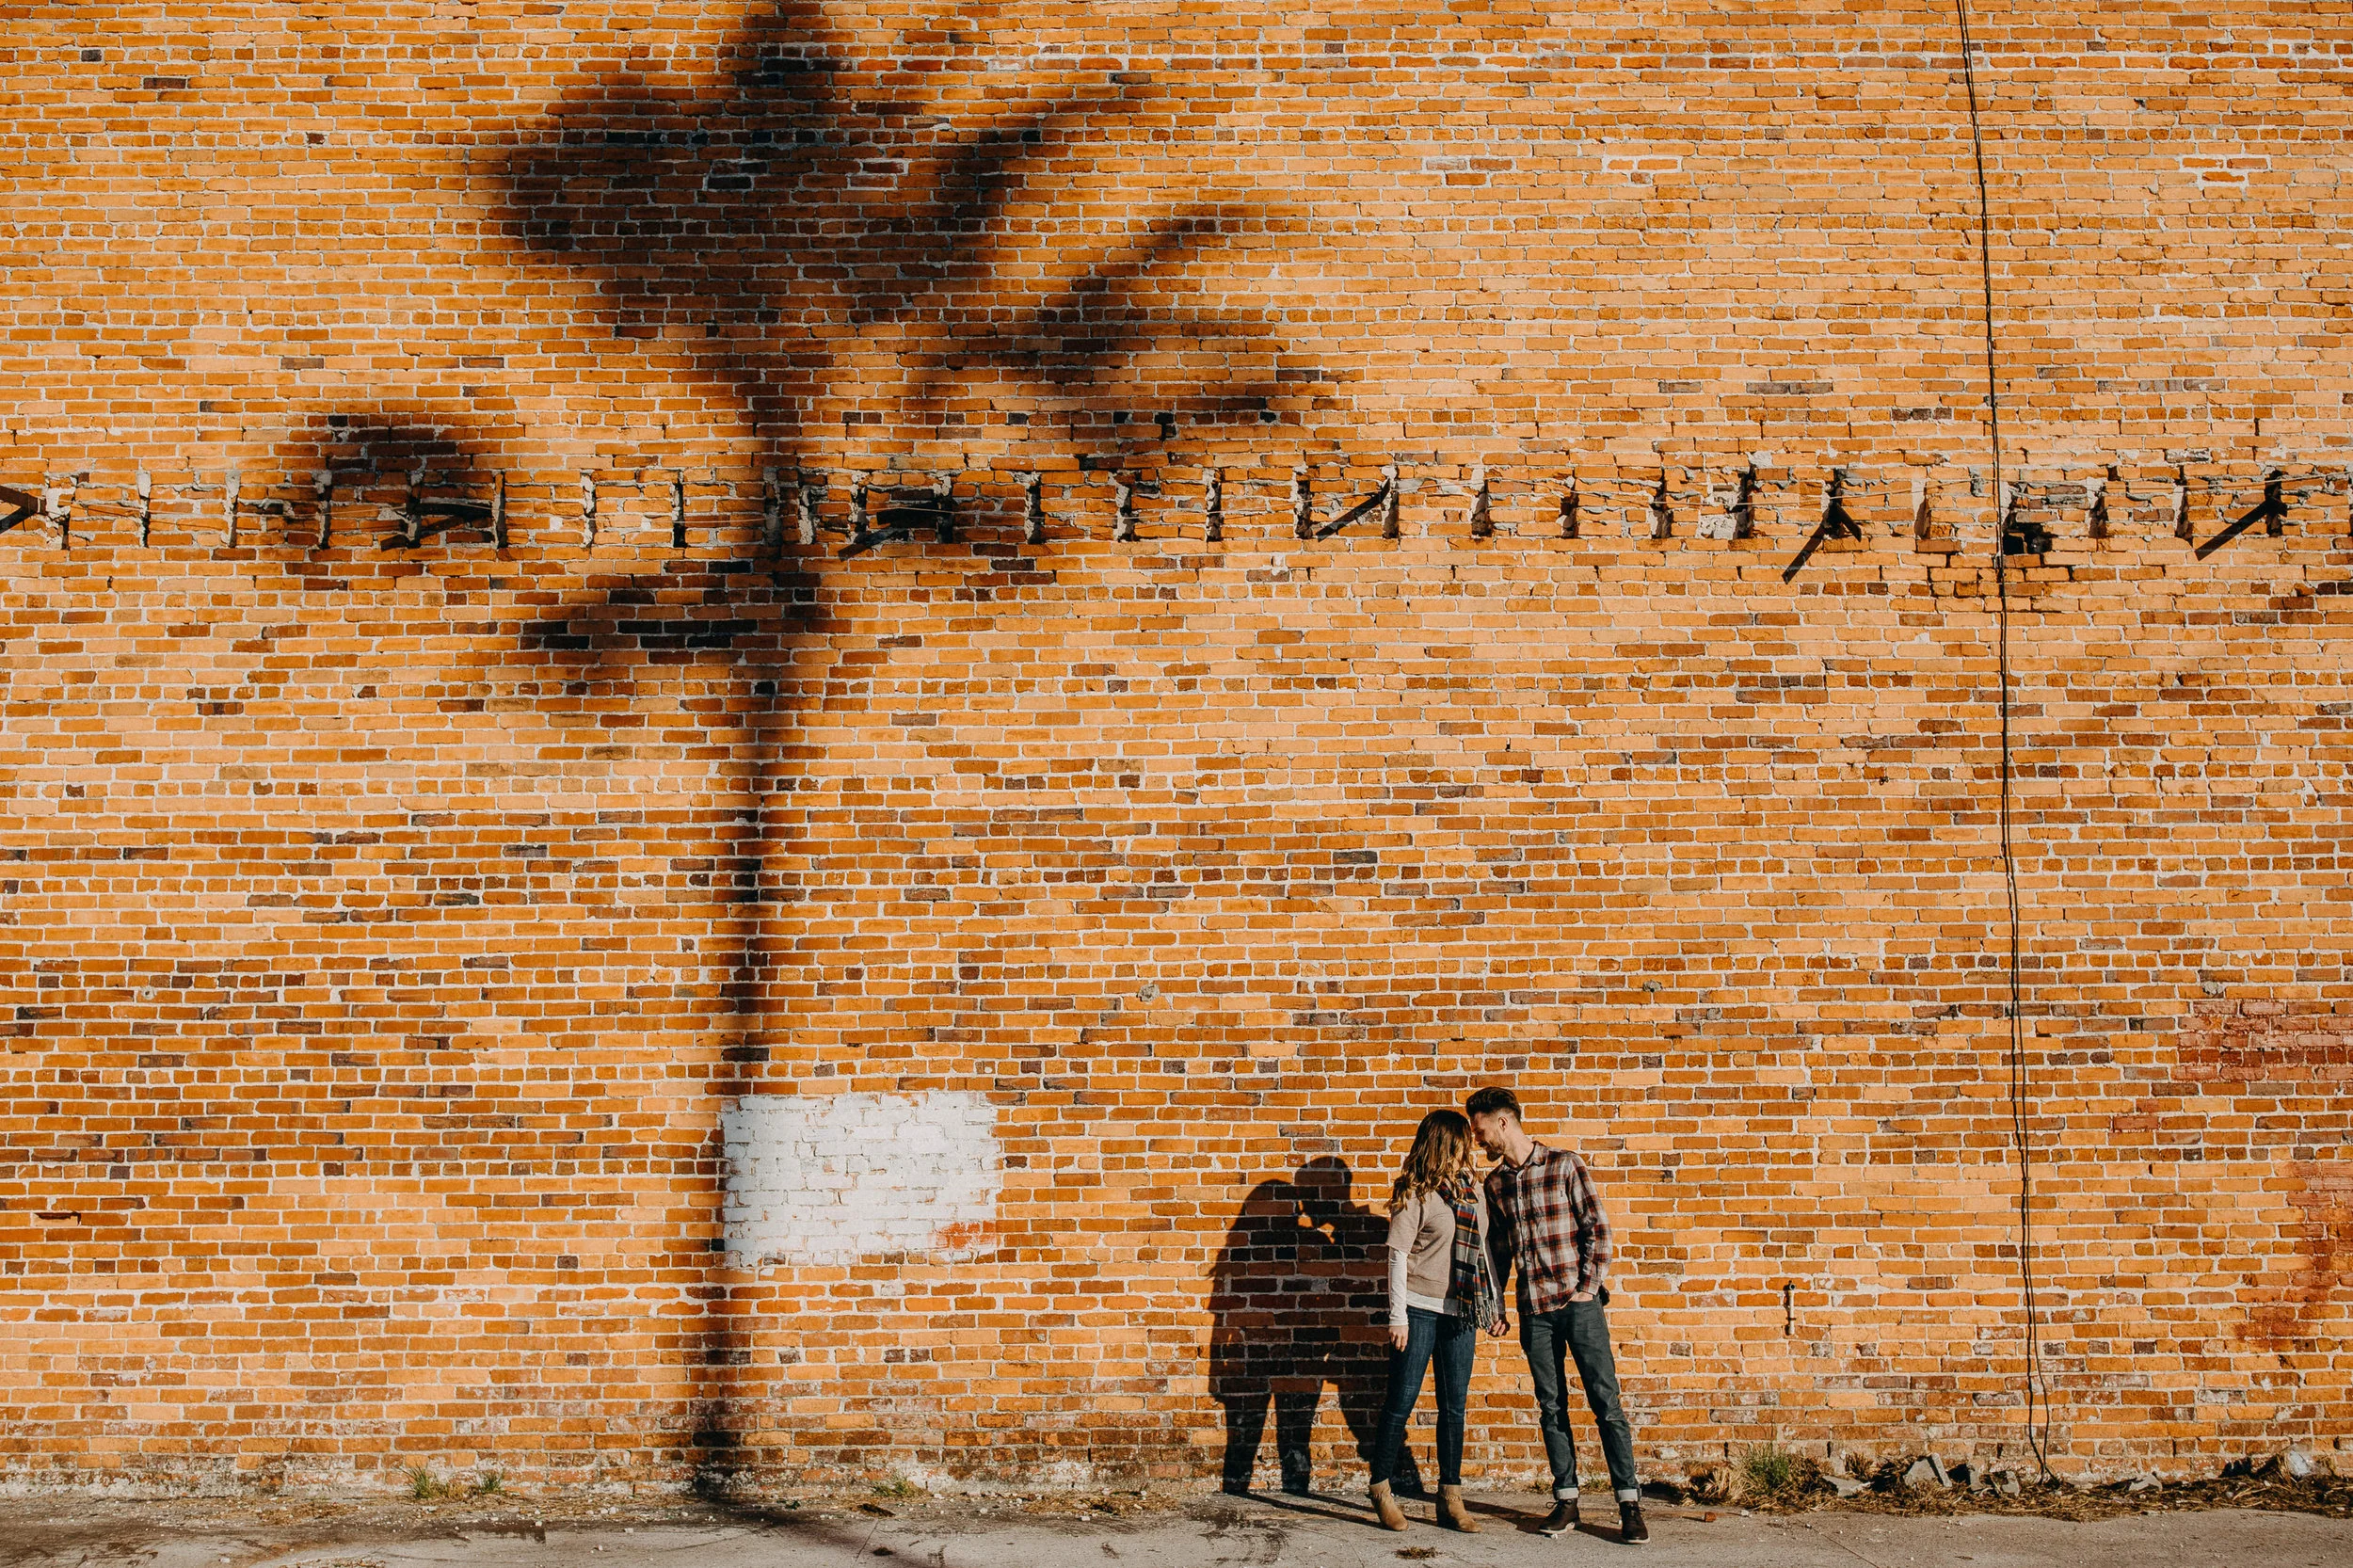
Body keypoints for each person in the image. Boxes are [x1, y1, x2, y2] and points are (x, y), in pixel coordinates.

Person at [1467, 1085, 1649, 1546]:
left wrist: (1587, 1290)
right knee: (1551, 1408)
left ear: (1502, 1122)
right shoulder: (1496, 1185)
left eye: (1480, 1129)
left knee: (1605, 1403)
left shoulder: (1565, 1165)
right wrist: (1498, 1305)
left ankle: (1629, 1504)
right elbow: (1499, 1252)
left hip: (1578, 1307)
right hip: (1535, 1313)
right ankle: (1566, 1500)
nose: (1477, 1139)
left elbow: (1598, 1229)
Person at [1366, 1111, 1504, 1532]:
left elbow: (1483, 1252)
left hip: (1461, 1310)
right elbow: (1397, 1257)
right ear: (1446, 1143)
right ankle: (1381, 1488)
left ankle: (1450, 1496)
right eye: (1464, 1138)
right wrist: (1398, 1316)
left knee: (1454, 1407)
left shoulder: (1473, 1191)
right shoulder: (1415, 1192)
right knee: (1401, 1402)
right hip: (1419, 1309)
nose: (1471, 1145)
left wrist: (1495, 1305)